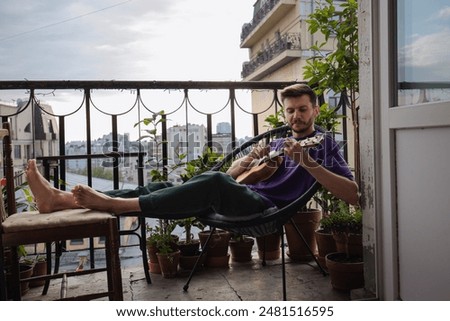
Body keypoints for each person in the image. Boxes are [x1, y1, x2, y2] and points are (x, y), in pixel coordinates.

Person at [26, 84, 359, 218]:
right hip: (240, 193)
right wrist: (245, 162)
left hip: (265, 208)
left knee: (212, 183)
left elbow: (354, 195)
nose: (296, 116)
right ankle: (59, 200)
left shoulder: (325, 144)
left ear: (315, 110)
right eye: (290, 111)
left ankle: (117, 205)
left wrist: (309, 164)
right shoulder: (276, 143)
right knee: (163, 187)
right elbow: (231, 178)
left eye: (302, 109)